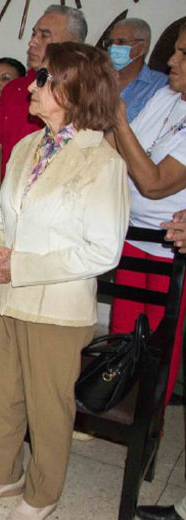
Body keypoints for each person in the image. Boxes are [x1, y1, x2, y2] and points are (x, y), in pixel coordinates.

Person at [0, 43, 129, 520]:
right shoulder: (26, 147)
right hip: (7, 294)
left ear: (72, 91)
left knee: (47, 405)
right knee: (2, 392)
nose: (32, 87)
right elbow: (1, 213)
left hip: (56, 307)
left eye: (43, 79)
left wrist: (22, 266)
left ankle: (42, 494)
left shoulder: (103, 164)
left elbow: (102, 250)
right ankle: (2, 473)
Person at [109, 22, 186, 408]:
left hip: (170, 245)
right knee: (123, 327)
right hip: (131, 229)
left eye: (183, 53)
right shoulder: (166, 97)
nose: (171, 59)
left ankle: (148, 421)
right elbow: (118, 149)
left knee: (159, 341)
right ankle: (110, 398)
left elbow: (154, 183)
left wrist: (118, 118)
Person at [0, 4, 87, 208]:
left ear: (71, 45)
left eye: (44, 36)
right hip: (6, 202)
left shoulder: (85, 94)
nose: (32, 42)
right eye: (34, 33)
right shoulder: (15, 89)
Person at [104, 18, 168, 123]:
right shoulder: (98, 79)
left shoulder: (161, 85)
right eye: (111, 42)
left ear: (142, 47)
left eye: (121, 42)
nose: (113, 47)